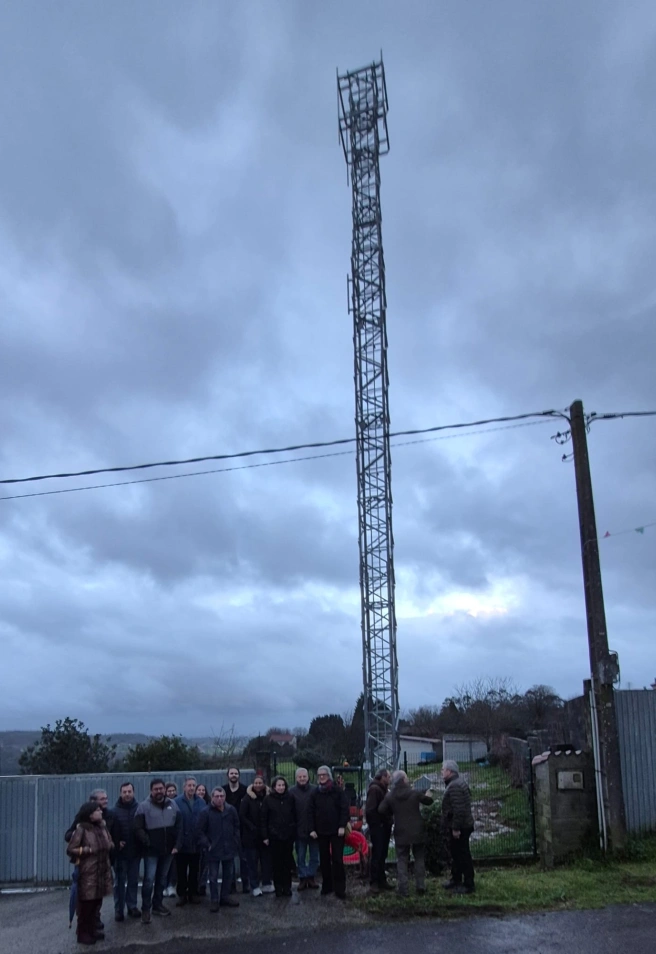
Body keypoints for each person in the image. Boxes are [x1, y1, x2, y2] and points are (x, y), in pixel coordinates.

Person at [133, 778, 182, 923]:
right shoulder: (143, 807)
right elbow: (137, 828)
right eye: (156, 789)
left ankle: (158, 905)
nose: (159, 791)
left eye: (161, 788)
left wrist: (177, 845)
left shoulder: (173, 805)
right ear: (151, 791)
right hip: (151, 852)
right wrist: (148, 842)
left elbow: (179, 826)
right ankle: (146, 909)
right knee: (149, 881)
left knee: (161, 880)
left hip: (168, 851)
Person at [66, 800, 114, 946]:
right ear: (90, 814)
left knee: (96, 903)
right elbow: (70, 849)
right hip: (89, 872)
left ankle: (92, 930)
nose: (101, 812)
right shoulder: (82, 829)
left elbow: (109, 841)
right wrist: (87, 850)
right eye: (97, 810)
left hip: (102, 870)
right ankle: (82, 933)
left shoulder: (102, 827)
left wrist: (109, 845)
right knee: (86, 904)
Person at [379, 770, 432, 897]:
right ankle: (420, 886)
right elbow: (428, 802)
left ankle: (403, 889)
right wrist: (429, 794)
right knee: (419, 858)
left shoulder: (390, 796)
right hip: (417, 830)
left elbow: (381, 810)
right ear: (403, 780)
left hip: (401, 831)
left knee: (402, 860)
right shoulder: (414, 792)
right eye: (406, 778)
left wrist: (392, 814)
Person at [197, 787, 241, 912]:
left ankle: (225, 897)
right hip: (213, 850)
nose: (219, 799)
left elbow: (237, 826)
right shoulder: (205, 812)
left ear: (225, 797)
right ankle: (214, 900)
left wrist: (235, 840)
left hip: (229, 848)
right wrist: (207, 844)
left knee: (228, 875)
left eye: (222, 796)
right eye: (217, 796)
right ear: (212, 797)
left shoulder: (231, 810)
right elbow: (199, 831)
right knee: (213, 877)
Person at [309, 765, 349, 899]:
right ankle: (327, 886)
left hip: (337, 831)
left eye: (324, 775)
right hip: (321, 832)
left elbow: (344, 809)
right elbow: (310, 812)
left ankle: (340, 888)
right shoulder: (315, 793)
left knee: (337, 860)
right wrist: (312, 829)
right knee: (324, 860)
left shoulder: (337, 791)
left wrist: (342, 825)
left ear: (329, 776)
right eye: (319, 775)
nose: (321, 777)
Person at [441, 760, 475, 895]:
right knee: (456, 854)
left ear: (449, 771)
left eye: (443, 769)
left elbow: (459, 810)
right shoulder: (457, 783)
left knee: (462, 854)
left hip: (461, 827)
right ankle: (456, 879)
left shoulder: (455, 786)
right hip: (462, 825)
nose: (441, 772)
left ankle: (468, 884)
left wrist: (455, 828)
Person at [240, 775, 275, 896]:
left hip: (265, 835)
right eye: (256, 783)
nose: (258, 785)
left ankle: (267, 883)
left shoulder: (269, 797)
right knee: (252, 862)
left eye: (260, 783)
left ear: (264, 784)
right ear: (253, 784)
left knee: (266, 861)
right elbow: (242, 815)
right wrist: (252, 827)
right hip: (251, 836)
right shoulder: (247, 798)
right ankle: (254, 886)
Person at [173, 777, 206, 906]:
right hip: (182, 843)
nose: (192, 788)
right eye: (189, 785)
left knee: (194, 870)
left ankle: (193, 893)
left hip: (196, 843)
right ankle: (182, 894)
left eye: (194, 785)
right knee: (181, 870)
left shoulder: (201, 802)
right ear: (184, 787)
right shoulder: (176, 802)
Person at [112, 781, 142, 921]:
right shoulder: (114, 811)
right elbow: (109, 832)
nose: (127, 794)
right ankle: (119, 910)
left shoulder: (140, 808)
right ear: (120, 793)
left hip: (135, 852)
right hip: (120, 854)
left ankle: (132, 906)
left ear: (133, 792)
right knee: (119, 882)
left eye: (129, 791)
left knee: (133, 881)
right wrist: (116, 842)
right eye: (124, 792)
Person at [263, 775, 296, 897]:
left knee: (287, 863)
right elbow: (264, 819)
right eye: (278, 785)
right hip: (274, 837)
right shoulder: (268, 800)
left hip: (288, 836)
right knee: (276, 864)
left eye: (283, 785)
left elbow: (294, 815)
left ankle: (287, 887)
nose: (281, 787)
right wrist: (265, 836)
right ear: (274, 787)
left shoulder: (290, 798)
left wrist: (292, 830)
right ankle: (278, 888)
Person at [289, 768, 319, 891]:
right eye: (300, 777)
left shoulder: (315, 790)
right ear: (296, 778)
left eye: (304, 776)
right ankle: (302, 878)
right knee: (300, 856)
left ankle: (311, 877)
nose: (302, 779)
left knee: (314, 856)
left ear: (308, 777)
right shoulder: (291, 792)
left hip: (314, 830)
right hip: (298, 830)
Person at [365, 769, 392, 892]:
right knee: (377, 854)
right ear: (383, 777)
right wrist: (378, 824)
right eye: (389, 777)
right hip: (379, 827)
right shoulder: (375, 789)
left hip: (383, 826)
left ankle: (381, 880)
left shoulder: (380, 788)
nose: (390, 779)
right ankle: (374, 881)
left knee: (382, 854)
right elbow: (370, 810)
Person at [223, 767, 249, 894]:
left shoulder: (245, 790)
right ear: (227, 776)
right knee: (229, 859)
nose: (233, 775)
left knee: (244, 858)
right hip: (227, 829)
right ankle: (231, 885)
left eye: (236, 773)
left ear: (239, 775)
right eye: (231, 773)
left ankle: (246, 884)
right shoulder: (223, 790)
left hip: (243, 829)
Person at [195, 784, 210, 895]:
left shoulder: (209, 804)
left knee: (205, 865)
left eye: (203, 790)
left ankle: (202, 885)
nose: (201, 792)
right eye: (199, 790)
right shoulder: (194, 803)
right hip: (194, 839)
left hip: (206, 839)